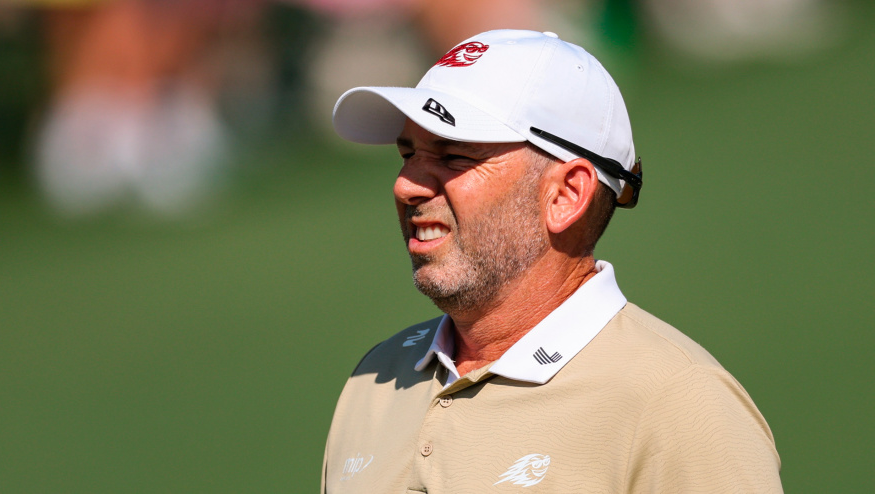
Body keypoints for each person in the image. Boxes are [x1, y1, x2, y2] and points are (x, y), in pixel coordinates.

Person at [322, 29, 782, 493]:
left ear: (566, 195)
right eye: (408, 153)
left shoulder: (679, 402)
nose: (406, 185)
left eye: (456, 156)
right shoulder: (375, 377)